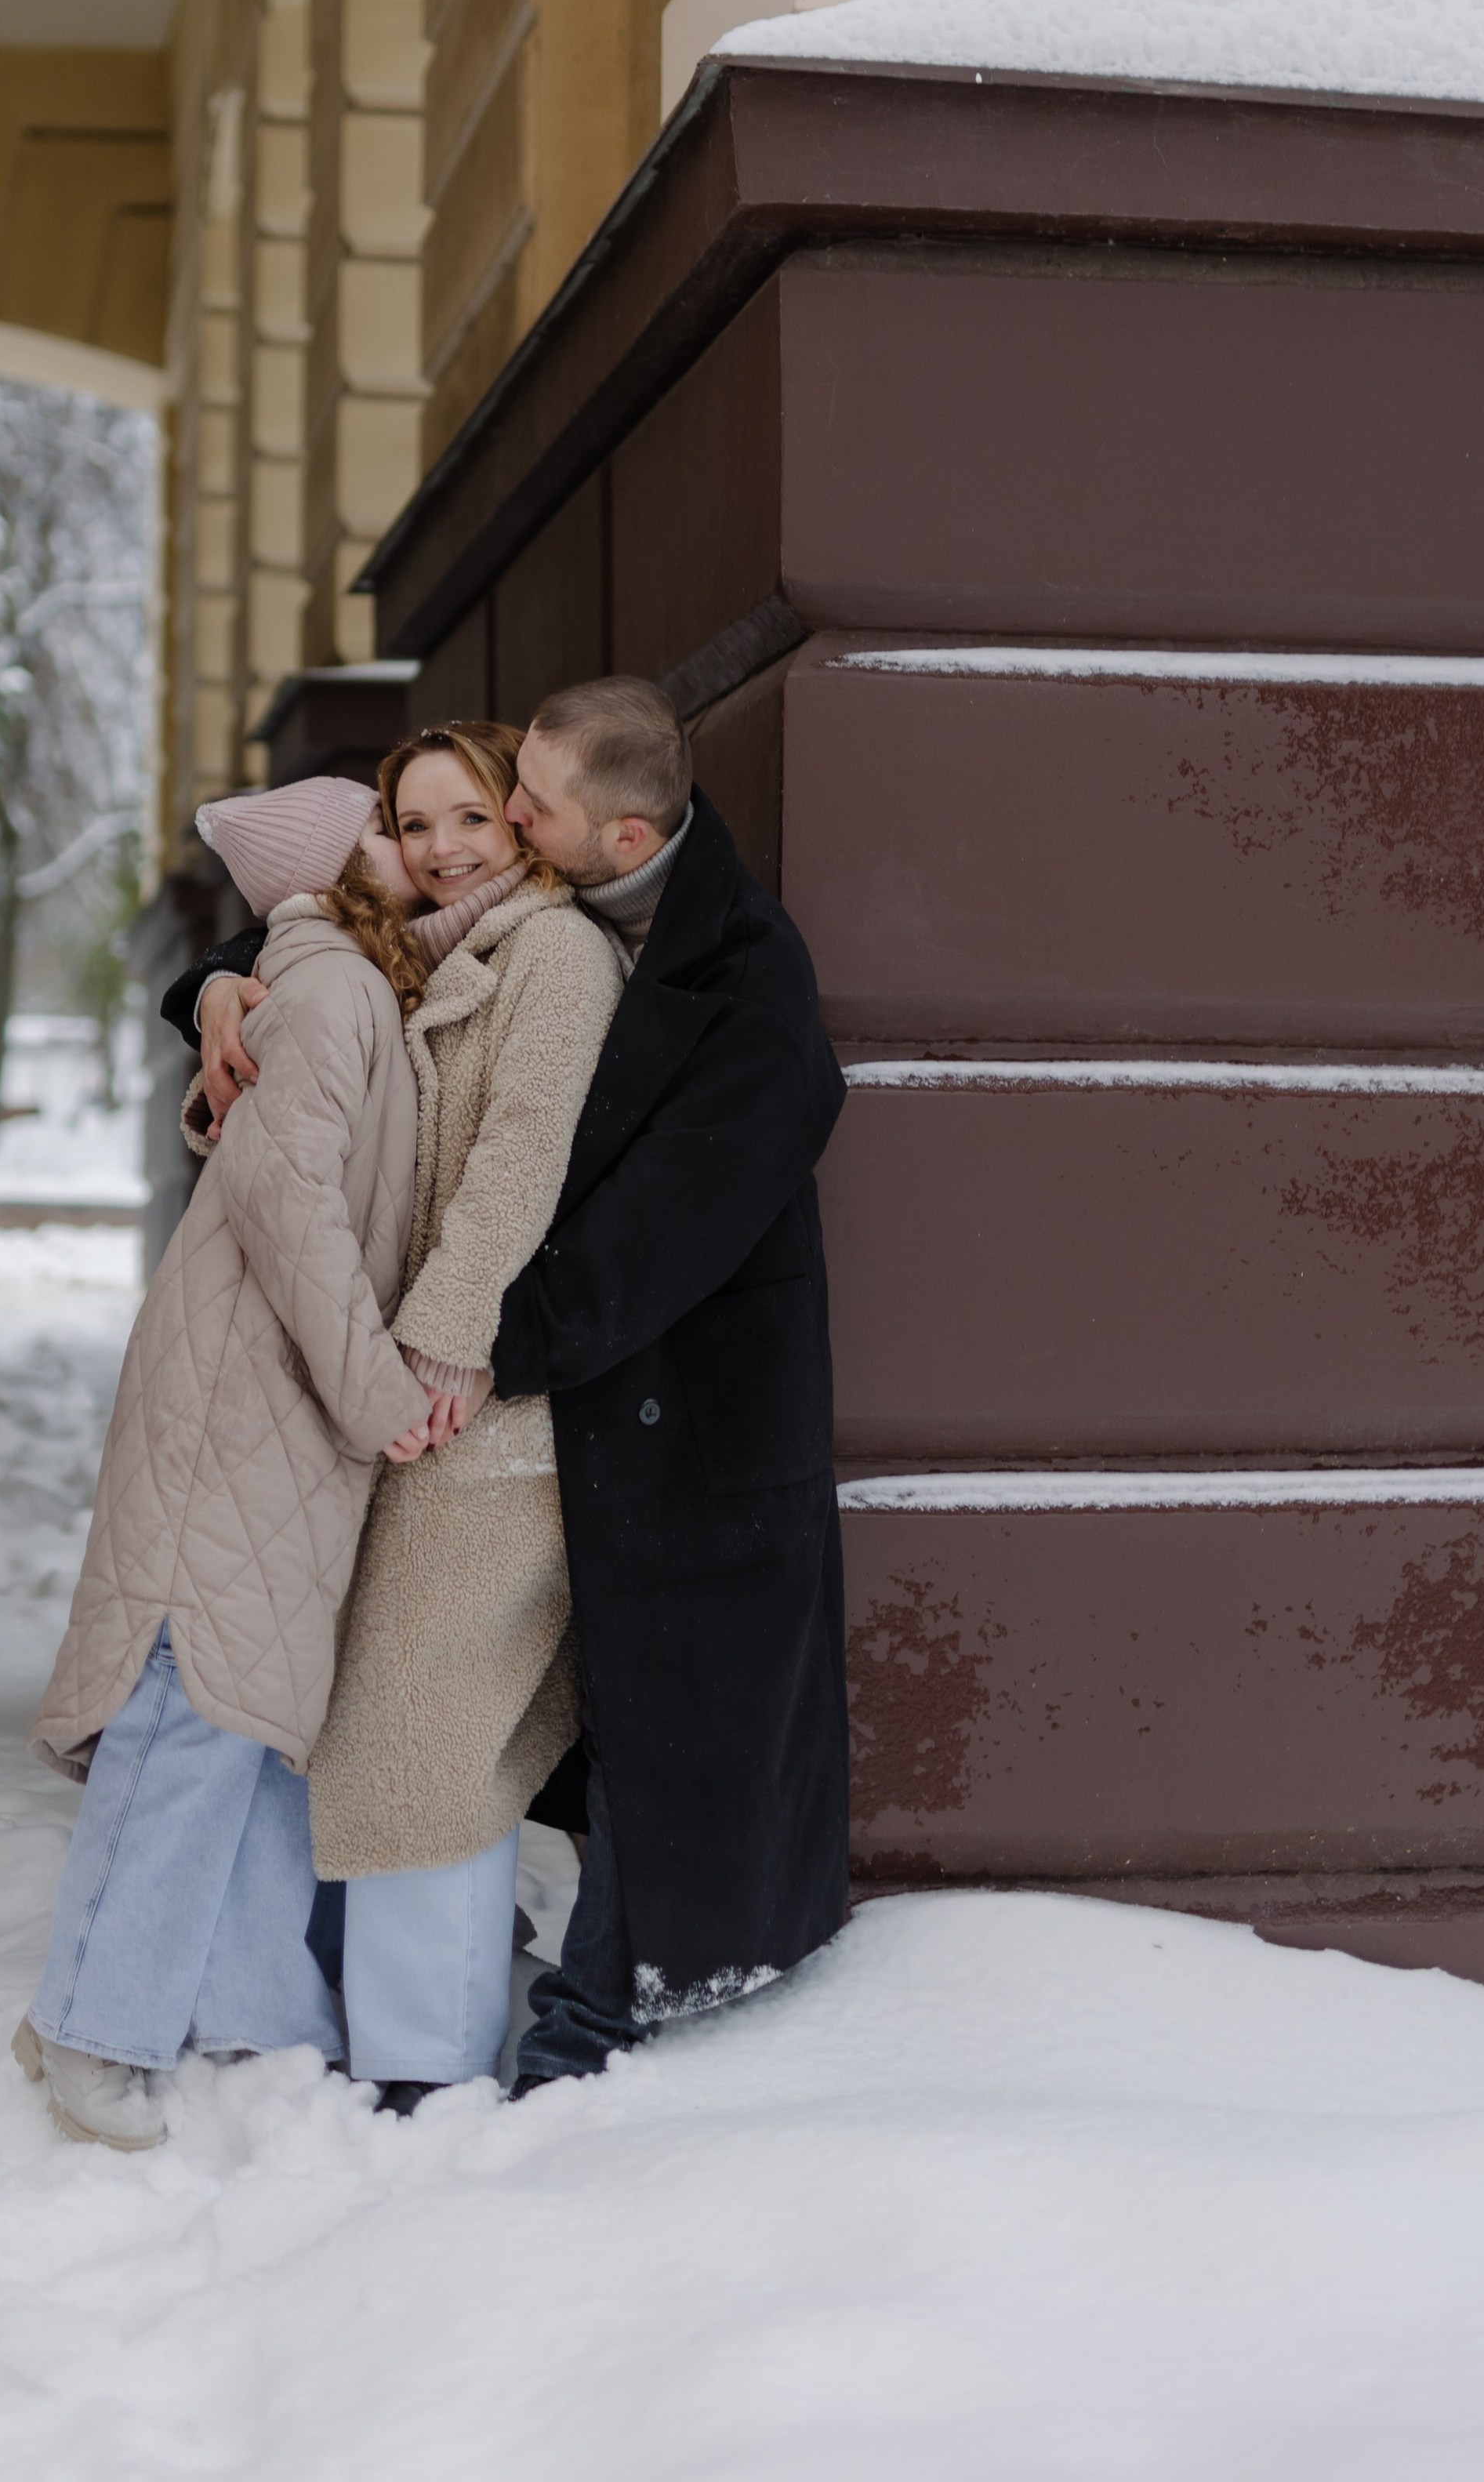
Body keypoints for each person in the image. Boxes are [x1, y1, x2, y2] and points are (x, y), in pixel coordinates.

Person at [16, 776, 435, 2150]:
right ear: (334, 867)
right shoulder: (330, 988)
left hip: (267, 1393)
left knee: (250, 1709)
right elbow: (282, 1195)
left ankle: (261, 2017)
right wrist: (379, 1390)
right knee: (189, 1699)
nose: (415, 843)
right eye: (387, 827)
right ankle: (89, 2022)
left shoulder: (334, 979)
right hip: (241, 1400)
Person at [495, 675, 851, 2088]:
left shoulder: (753, 981)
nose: (505, 818)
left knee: (672, 1720)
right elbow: (353, 910)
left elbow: (651, 1243)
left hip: (694, 1411)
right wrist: (220, 982)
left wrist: (454, 1341)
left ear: (627, 838)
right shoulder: (544, 888)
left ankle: (595, 2019)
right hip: (571, 1395)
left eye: (534, 803)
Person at [306, 720, 625, 2110]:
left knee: (428, 1728)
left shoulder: (553, 953)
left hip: (487, 1402)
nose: (440, 848)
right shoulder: (430, 953)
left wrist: (441, 1341)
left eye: (471, 819)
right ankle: (411, 2035)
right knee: (408, 1722)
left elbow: (522, 1156)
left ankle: (427, 2066)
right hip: (421, 1398)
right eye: (412, 822)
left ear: (523, 825)